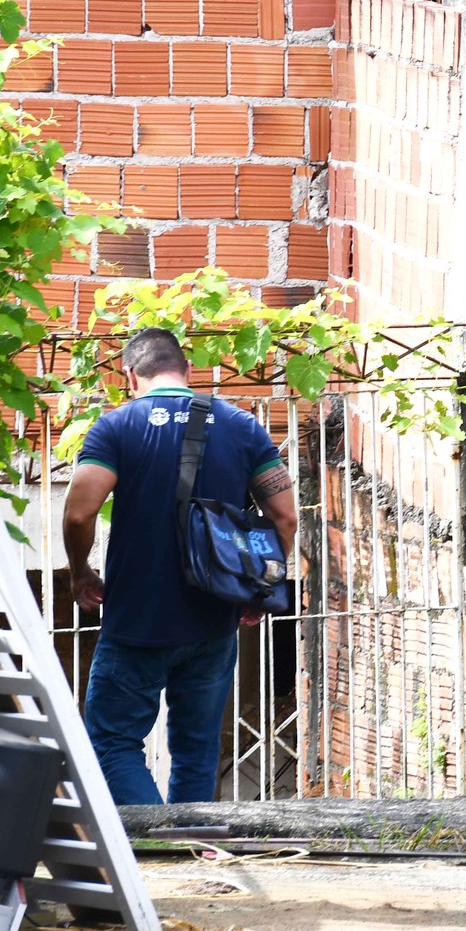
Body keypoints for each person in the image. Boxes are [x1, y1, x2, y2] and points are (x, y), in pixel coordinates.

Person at [62, 327, 296, 805]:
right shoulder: (242, 425)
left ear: (130, 375)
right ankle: (191, 840)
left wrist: (79, 571)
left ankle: (158, 841)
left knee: (112, 742)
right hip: (213, 618)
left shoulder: (117, 427)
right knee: (197, 747)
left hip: (136, 621)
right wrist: (258, 587)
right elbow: (286, 516)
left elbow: (79, 511)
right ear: (187, 371)